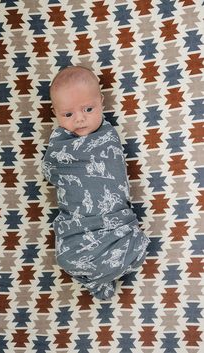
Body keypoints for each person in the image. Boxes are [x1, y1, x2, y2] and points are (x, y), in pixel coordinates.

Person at [42, 66, 149, 300]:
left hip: (112, 217)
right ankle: (99, 279)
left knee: (136, 245)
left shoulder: (107, 137)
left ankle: (102, 276)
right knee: (65, 258)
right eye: (67, 115)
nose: (79, 119)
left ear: (101, 102)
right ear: (55, 112)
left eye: (88, 109)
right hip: (77, 222)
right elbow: (50, 169)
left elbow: (115, 169)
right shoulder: (60, 143)